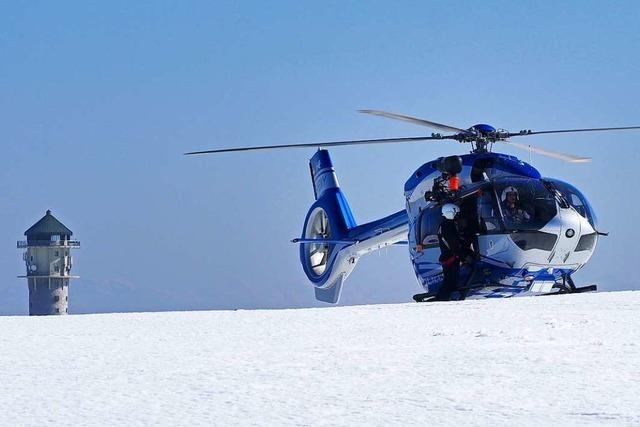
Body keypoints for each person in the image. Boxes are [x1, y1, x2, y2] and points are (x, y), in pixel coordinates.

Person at [433, 203, 464, 301]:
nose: (456, 216)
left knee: (452, 279)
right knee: (450, 279)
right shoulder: (447, 225)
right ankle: (442, 298)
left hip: (448, 256)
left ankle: (448, 296)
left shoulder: (445, 224)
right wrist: (459, 253)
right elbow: (452, 241)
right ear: (450, 213)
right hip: (450, 257)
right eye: (455, 213)